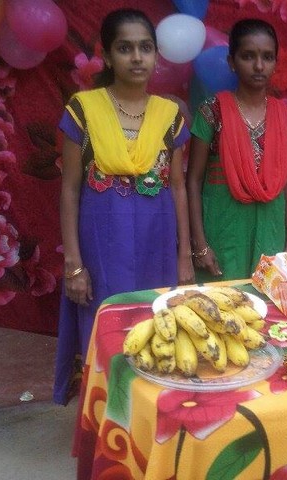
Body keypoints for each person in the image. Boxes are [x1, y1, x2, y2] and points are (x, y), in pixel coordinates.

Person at [53, 8, 193, 405]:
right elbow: (69, 189)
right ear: (107, 55)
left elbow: (178, 186)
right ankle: (105, 417)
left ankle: (149, 418)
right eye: (125, 48)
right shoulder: (84, 108)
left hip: (156, 242)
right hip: (102, 244)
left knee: (156, 327)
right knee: (106, 327)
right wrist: (74, 265)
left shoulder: (169, 115)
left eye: (145, 48)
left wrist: (184, 255)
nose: (136, 57)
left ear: (156, 55)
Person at [187, 19, 287, 281]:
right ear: (231, 62)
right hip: (223, 234)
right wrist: (200, 245)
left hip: (271, 234)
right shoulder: (212, 111)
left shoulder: (286, 116)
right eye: (248, 56)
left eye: (267, 57)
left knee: (268, 303)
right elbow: (193, 181)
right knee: (223, 303)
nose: (259, 66)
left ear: (275, 62)